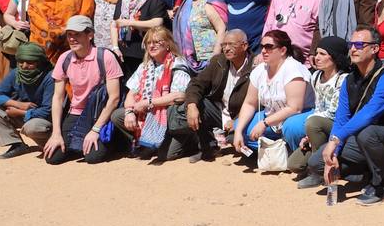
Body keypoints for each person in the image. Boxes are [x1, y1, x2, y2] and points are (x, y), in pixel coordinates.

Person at [313, 29, 384, 205]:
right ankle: (369, 173)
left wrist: (335, 141)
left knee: (368, 133)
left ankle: (381, 186)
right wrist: (335, 151)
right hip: (364, 140)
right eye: (351, 45)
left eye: (359, 45)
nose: (353, 49)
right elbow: (342, 118)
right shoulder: (349, 80)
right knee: (317, 162)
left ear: (375, 49)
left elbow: (369, 114)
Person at [43, 15, 122, 165]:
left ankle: (114, 142)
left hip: (101, 113)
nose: (72, 39)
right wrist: (56, 133)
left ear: (90, 35)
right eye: (69, 35)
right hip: (76, 113)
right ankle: (79, 144)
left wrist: (95, 130)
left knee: (93, 157)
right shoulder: (64, 58)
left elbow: (114, 98)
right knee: (53, 158)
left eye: (77, 34)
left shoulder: (105, 56)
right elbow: (58, 98)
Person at [109, 27, 192, 162]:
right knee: (119, 115)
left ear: (168, 44)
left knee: (167, 155)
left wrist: (149, 102)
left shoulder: (178, 62)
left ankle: (189, 140)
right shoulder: (144, 66)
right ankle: (146, 142)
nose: (152, 45)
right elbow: (131, 93)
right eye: (148, 42)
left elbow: (180, 95)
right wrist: (129, 112)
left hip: (168, 115)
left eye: (157, 42)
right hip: (148, 113)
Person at [169, 29, 253, 161]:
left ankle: (253, 154)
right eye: (223, 45)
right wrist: (191, 105)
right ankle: (207, 148)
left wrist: (237, 120)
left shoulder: (256, 66)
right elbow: (196, 83)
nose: (226, 48)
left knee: (233, 138)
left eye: (231, 44)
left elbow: (256, 102)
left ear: (244, 46)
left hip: (244, 116)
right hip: (220, 112)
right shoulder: (218, 61)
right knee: (198, 104)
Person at [232, 29, 313, 157]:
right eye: (262, 46)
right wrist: (238, 131)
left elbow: (295, 108)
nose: (263, 51)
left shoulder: (293, 69)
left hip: (301, 115)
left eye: (269, 47)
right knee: (240, 126)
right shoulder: (260, 70)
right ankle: (278, 150)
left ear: (283, 50)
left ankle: (297, 154)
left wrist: (264, 123)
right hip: (273, 116)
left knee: (291, 127)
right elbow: (249, 103)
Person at [288, 36, 352, 178]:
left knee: (313, 122)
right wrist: (309, 136)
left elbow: (334, 113)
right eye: (316, 53)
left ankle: (318, 171)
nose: (316, 58)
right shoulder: (316, 76)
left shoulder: (343, 79)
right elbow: (318, 107)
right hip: (320, 126)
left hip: (336, 127)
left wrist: (312, 125)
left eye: (322, 54)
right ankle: (315, 162)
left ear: (335, 57)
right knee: (294, 164)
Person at [0, 42, 55, 158]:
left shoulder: (50, 77)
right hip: (24, 113)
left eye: (30, 63)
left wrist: (21, 112)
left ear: (40, 63)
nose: (24, 66)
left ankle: (49, 144)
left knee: (31, 128)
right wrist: (18, 104)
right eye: (20, 62)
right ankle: (16, 144)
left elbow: (47, 111)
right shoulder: (16, 73)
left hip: (44, 120)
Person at [114, 0, 167, 77]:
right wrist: (115, 47)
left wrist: (130, 23)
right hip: (123, 53)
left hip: (144, 52)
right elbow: (115, 23)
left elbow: (157, 22)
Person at [175, 0, 226, 70]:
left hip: (211, 60)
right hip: (190, 61)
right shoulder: (186, 3)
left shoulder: (211, 1)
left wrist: (215, 55)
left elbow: (221, 29)